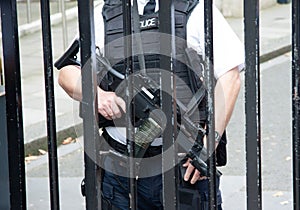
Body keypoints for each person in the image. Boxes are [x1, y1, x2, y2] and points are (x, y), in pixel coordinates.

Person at [57, 0, 244, 209]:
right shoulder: (103, 14)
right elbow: (67, 72)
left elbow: (230, 77)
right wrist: (97, 95)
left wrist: (209, 145)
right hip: (120, 168)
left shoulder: (194, 9)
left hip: (182, 165)